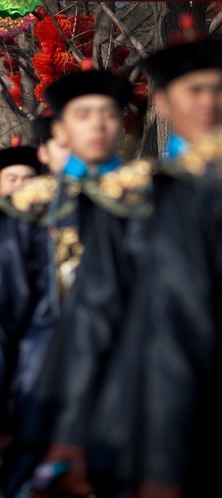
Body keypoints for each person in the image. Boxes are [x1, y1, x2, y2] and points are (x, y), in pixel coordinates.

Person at [38, 31, 222, 498]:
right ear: (162, 101)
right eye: (194, 90)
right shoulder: (138, 201)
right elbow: (96, 311)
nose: (208, 103)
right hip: (145, 398)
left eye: (218, 89)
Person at [0, 68, 133, 497]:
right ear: (61, 132)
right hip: (44, 380)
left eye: (108, 113)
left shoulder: (149, 201)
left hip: (134, 381)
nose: (98, 124)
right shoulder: (27, 213)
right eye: (84, 114)